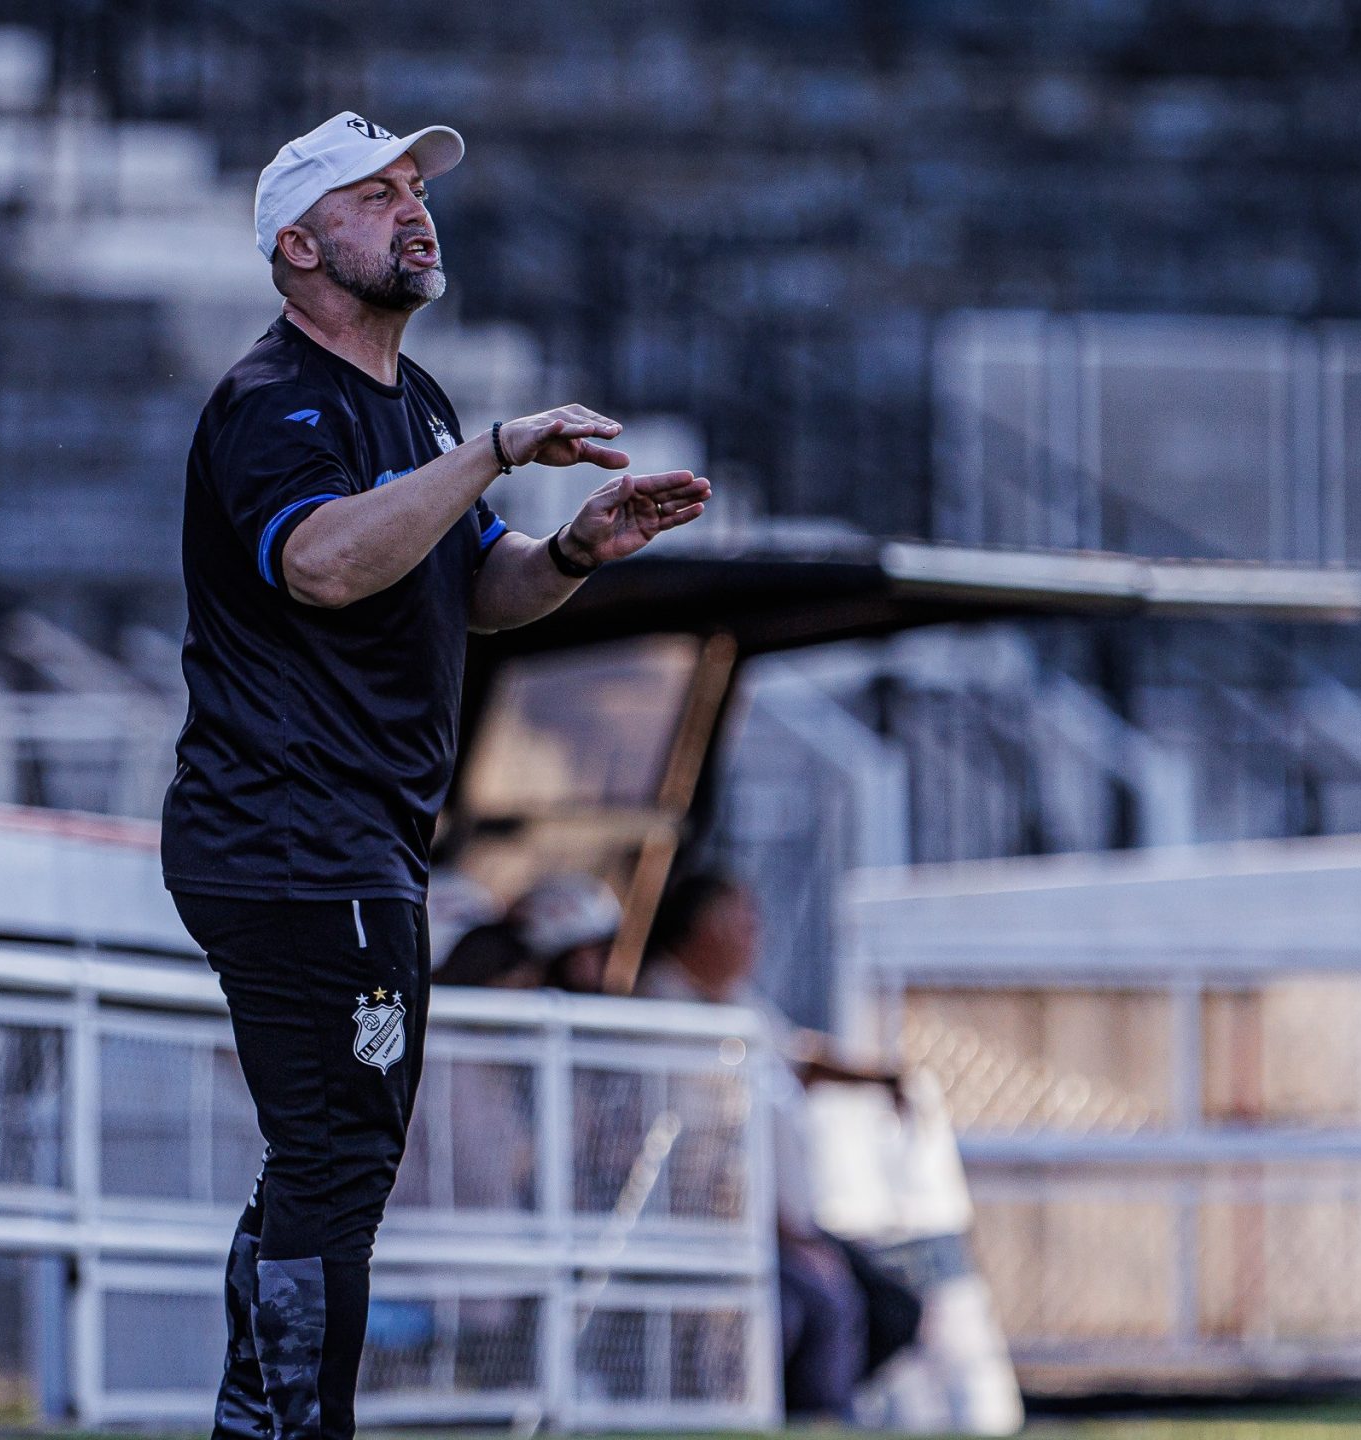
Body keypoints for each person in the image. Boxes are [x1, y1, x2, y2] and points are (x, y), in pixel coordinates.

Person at [162, 110, 712, 1440]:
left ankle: (266, 1419)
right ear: (298, 247)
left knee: (334, 1161)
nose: (413, 210)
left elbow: (473, 587)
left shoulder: (416, 405)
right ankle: (290, 1428)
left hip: (352, 841)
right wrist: (500, 453)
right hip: (288, 834)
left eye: (415, 187)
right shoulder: (270, 402)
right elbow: (325, 562)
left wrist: (574, 550)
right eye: (371, 195)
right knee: (341, 1164)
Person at [637, 871, 908, 1418]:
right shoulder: (657, 1005)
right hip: (705, 1222)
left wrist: (878, 1079)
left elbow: (797, 1056)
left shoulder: (738, 1002)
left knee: (889, 1304)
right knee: (810, 1304)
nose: (752, 934)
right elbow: (703, 1139)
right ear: (698, 929)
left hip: (777, 1223)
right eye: (738, 920)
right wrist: (781, 1227)